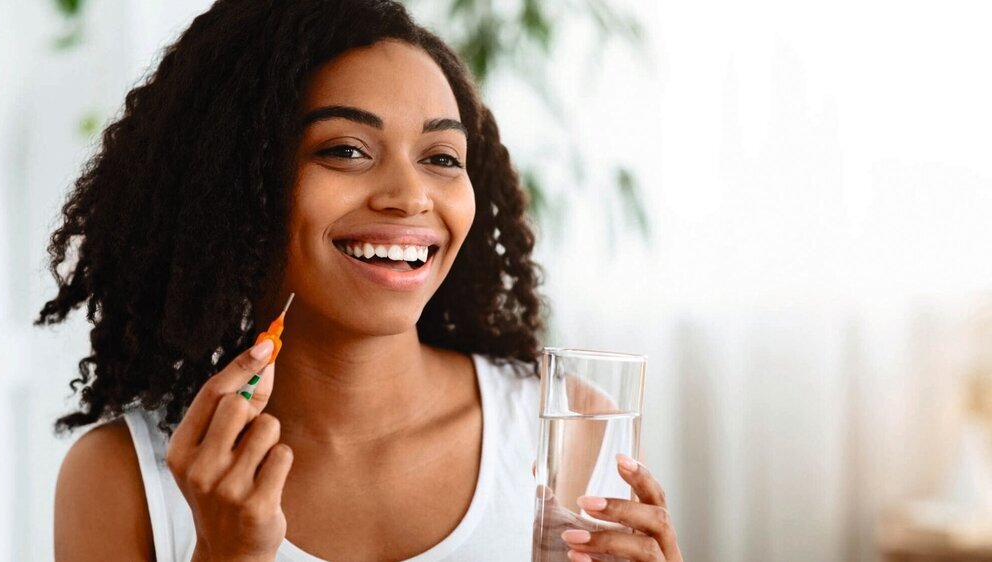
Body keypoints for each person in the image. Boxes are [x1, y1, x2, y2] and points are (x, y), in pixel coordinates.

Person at [37, 1, 683, 560]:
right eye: (345, 150)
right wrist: (224, 556)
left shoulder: (577, 428)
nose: (410, 196)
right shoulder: (121, 480)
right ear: (235, 188)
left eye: (441, 159)